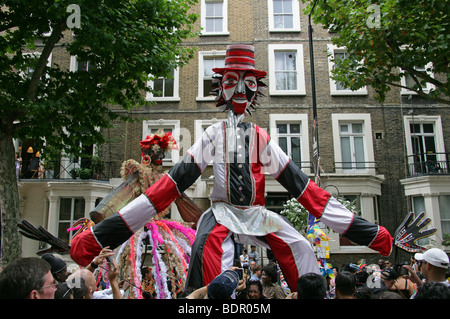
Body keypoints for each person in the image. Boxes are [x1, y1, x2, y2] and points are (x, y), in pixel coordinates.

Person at [69, 44, 394, 294]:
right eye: (232, 82)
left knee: (301, 247)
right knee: (207, 251)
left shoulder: (260, 138)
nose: (239, 89)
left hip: (256, 213)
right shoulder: (214, 135)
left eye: (246, 82)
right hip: (222, 212)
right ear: (221, 87)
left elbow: (307, 192)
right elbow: (167, 187)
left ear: (254, 88)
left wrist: (366, 232)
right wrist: (101, 235)